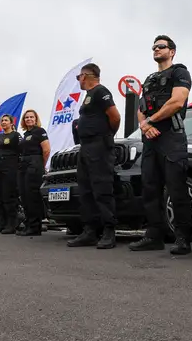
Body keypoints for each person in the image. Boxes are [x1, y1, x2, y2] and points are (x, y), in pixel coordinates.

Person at [129, 35, 192, 255]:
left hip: (171, 137)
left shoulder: (179, 72)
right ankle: (153, 236)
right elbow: (140, 108)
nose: (156, 50)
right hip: (151, 138)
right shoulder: (148, 79)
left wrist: (150, 121)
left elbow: (177, 101)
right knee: (150, 188)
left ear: (172, 51)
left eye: (161, 47)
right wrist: (144, 125)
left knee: (176, 188)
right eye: (154, 47)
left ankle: (183, 238)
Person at [67, 63, 122, 249]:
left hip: (99, 146)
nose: (78, 81)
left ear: (87, 76)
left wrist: (105, 136)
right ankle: (90, 231)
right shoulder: (87, 97)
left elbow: (115, 117)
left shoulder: (100, 92)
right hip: (86, 147)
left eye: (79, 77)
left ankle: (108, 230)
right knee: (86, 189)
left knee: (102, 188)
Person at [16, 109, 51, 237]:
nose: (29, 119)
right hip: (24, 164)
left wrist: (40, 164)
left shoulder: (40, 131)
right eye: (26, 117)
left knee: (32, 196)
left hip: (35, 163)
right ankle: (29, 224)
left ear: (36, 119)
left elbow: (46, 150)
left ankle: (35, 227)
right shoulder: (25, 134)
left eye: (31, 117)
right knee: (24, 195)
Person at [0, 114, 21, 235]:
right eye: (2, 121)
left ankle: (12, 224)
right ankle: (2, 223)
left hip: (10, 168)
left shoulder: (16, 135)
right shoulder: (0, 136)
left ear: (12, 123)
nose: (3, 122)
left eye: (6, 120)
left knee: (9, 197)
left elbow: (21, 151)